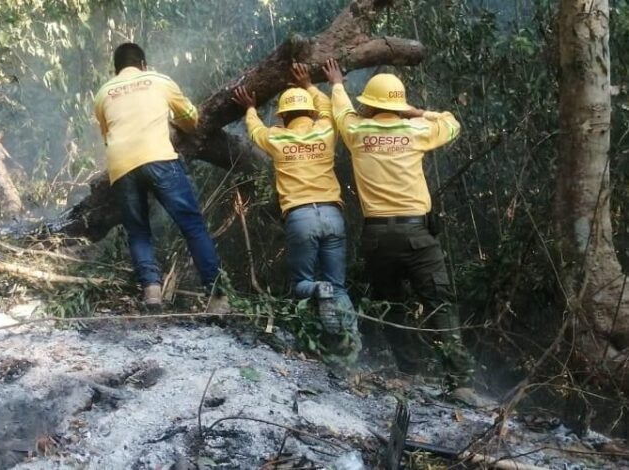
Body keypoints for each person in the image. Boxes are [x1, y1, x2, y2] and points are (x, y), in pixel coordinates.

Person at [323, 58, 487, 406]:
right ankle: (459, 383)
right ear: (398, 104)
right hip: (417, 236)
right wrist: (415, 111)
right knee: (439, 303)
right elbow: (451, 123)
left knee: (391, 305)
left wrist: (337, 83)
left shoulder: (357, 133)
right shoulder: (417, 131)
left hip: (378, 238)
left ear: (368, 103)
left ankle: (409, 372)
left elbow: (341, 112)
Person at [232, 63, 359, 363]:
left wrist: (249, 108)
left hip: (300, 216)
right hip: (331, 213)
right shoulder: (325, 130)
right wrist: (311, 86)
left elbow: (256, 131)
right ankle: (351, 345)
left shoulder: (277, 138)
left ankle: (317, 289)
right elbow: (328, 108)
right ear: (310, 114)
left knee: (302, 282)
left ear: (284, 117)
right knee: (339, 285)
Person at [93, 42, 228, 313]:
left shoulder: (103, 93)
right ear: (143, 64)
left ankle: (152, 292)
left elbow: (108, 136)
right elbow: (191, 118)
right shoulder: (157, 79)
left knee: (138, 231)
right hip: (158, 158)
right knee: (192, 225)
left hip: (121, 166)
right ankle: (216, 297)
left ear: (116, 69)